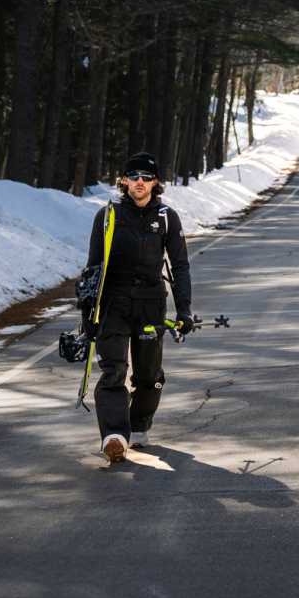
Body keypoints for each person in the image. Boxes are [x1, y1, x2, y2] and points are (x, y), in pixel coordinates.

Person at [83, 152, 194, 463]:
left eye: (146, 177)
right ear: (124, 181)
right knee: (113, 371)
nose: (140, 183)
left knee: (149, 377)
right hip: (113, 304)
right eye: (134, 177)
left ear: (155, 182)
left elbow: (181, 266)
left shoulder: (167, 217)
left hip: (150, 305)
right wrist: (87, 315)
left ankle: (138, 423)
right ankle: (114, 436)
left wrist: (184, 311)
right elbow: (93, 267)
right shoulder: (108, 216)